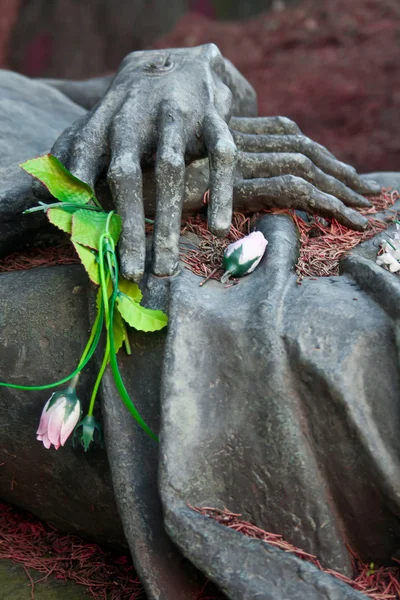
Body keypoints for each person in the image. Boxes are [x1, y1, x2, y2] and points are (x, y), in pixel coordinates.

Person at [0, 44, 397, 600]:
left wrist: (178, 74)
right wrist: (177, 73)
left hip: (293, 244)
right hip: (213, 300)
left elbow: (203, 109)